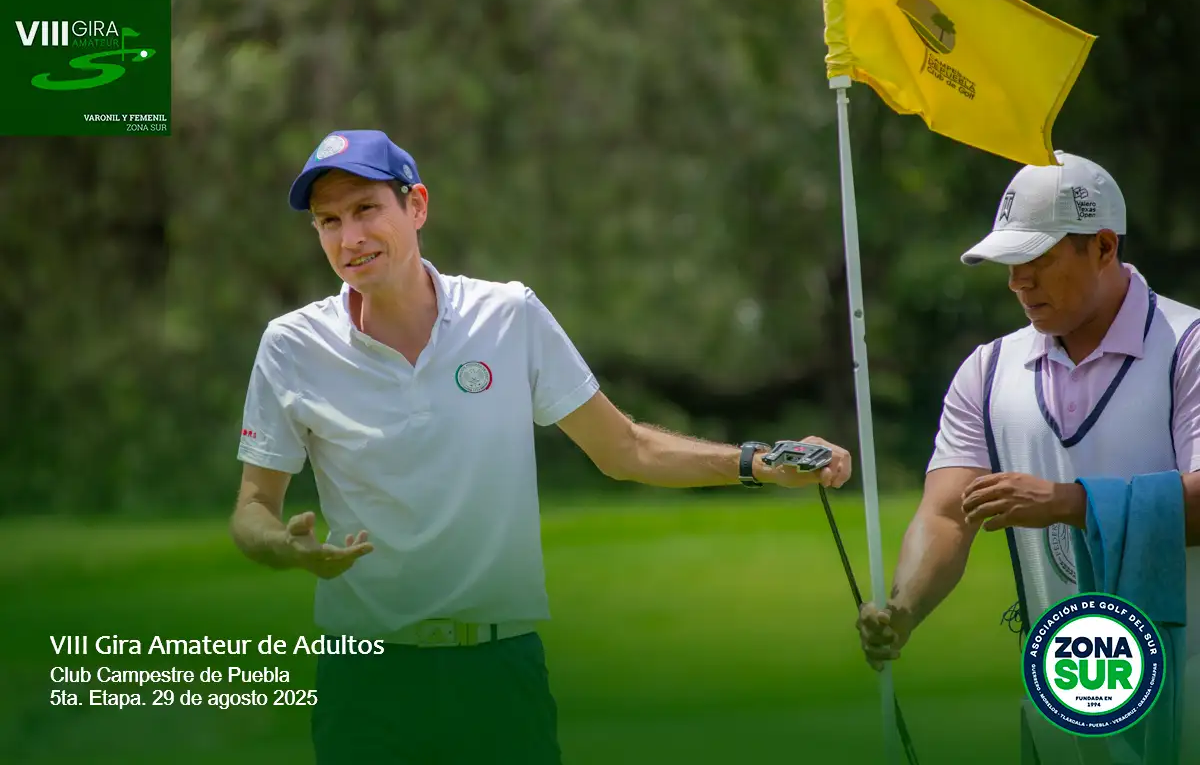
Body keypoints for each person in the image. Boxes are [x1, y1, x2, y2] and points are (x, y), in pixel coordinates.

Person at [228, 129, 854, 765]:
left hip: (499, 672)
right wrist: (282, 546)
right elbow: (253, 507)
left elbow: (625, 448)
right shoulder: (292, 345)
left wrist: (757, 463)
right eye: (329, 221)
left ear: (416, 206)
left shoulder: (507, 315)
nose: (350, 237)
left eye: (366, 209)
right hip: (363, 681)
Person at [854, 151, 1200, 762]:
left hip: (1187, 695)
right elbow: (947, 513)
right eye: (1011, 264)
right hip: (1063, 697)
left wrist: (1068, 503)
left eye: (1038, 260)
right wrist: (903, 609)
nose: (1018, 282)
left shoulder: (1187, 348)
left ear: (1103, 246)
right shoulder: (987, 370)